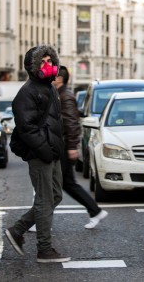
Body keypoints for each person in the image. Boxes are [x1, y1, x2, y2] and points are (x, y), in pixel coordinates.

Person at [4, 45, 69, 263]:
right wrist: (45, 151)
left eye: (50, 61)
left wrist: (57, 149)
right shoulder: (27, 92)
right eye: (43, 62)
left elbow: (54, 122)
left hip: (52, 152)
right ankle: (44, 249)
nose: (48, 65)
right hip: (41, 154)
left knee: (55, 196)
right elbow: (27, 128)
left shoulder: (49, 88)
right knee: (44, 199)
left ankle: (18, 229)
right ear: (33, 66)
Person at [52, 65, 108, 229]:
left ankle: (95, 211)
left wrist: (71, 146)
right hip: (62, 145)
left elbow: (71, 123)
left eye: (52, 76)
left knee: (65, 183)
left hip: (63, 147)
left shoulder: (65, 96)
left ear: (59, 79)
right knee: (62, 184)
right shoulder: (60, 94)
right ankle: (95, 211)